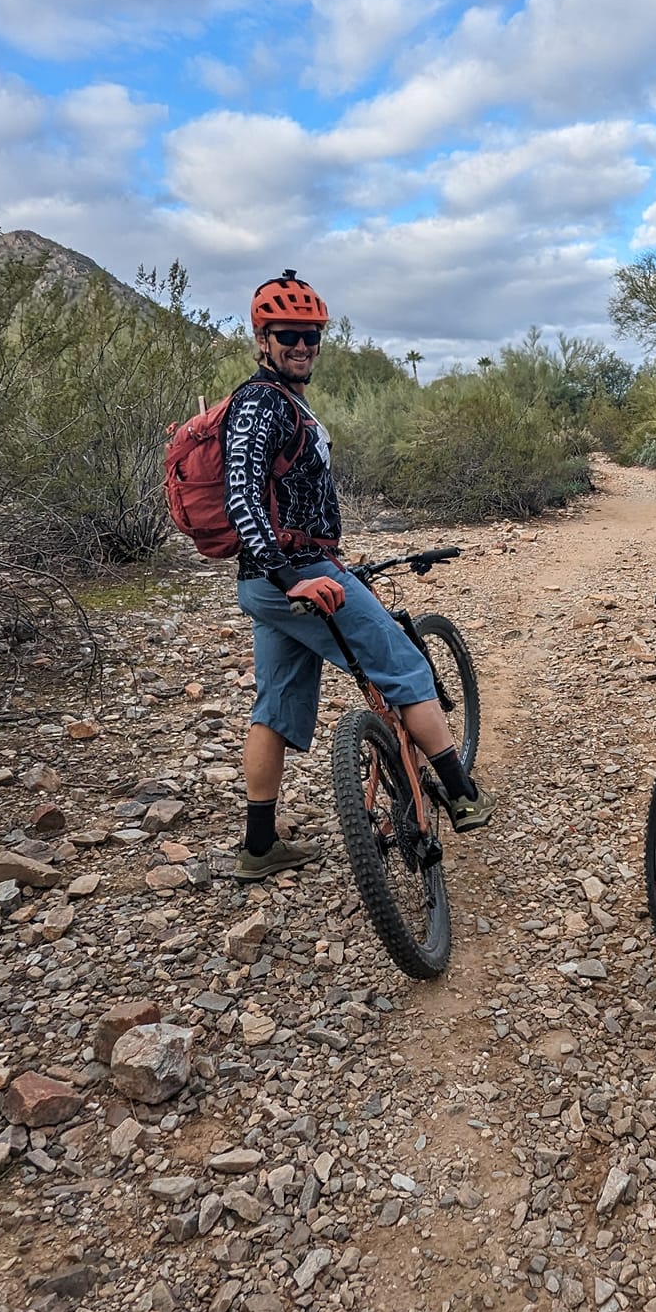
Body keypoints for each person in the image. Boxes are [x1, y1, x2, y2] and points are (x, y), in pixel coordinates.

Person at [226, 268, 494, 880]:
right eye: (288, 334)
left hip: (276, 583)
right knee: (404, 666)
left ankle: (259, 847)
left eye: (311, 336)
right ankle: (462, 794)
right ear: (262, 339)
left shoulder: (285, 402)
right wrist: (290, 573)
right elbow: (239, 490)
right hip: (295, 577)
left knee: (273, 707)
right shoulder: (260, 402)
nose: (301, 346)